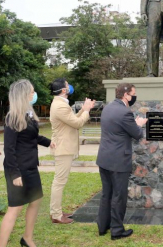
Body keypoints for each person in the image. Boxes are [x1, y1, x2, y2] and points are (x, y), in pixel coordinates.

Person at [0, 79, 55, 247]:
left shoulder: (28, 114)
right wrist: (15, 174)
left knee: (36, 201)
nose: (33, 94)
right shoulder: (12, 118)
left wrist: (48, 142)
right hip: (18, 169)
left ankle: (27, 238)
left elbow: (31, 137)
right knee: (15, 208)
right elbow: (9, 148)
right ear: (23, 94)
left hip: (30, 166)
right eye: (31, 91)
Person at [96, 83, 147, 240]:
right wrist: (138, 124)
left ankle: (103, 226)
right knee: (119, 195)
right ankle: (117, 230)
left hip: (104, 158)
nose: (134, 97)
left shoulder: (108, 107)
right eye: (133, 93)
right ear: (126, 95)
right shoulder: (125, 112)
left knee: (107, 194)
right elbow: (137, 134)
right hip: (118, 161)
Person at [49, 78, 95, 224]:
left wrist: (83, 109)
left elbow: (72, 119)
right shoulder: (60, 106)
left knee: (60, 180)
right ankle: (56, 215)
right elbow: (77, 123)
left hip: (64, 147)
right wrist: (86, 110)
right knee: (59, 181)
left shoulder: (61, 104)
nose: (69, 87)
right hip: (63, 148)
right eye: (67, 85)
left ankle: (57, 211)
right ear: (63, 90)